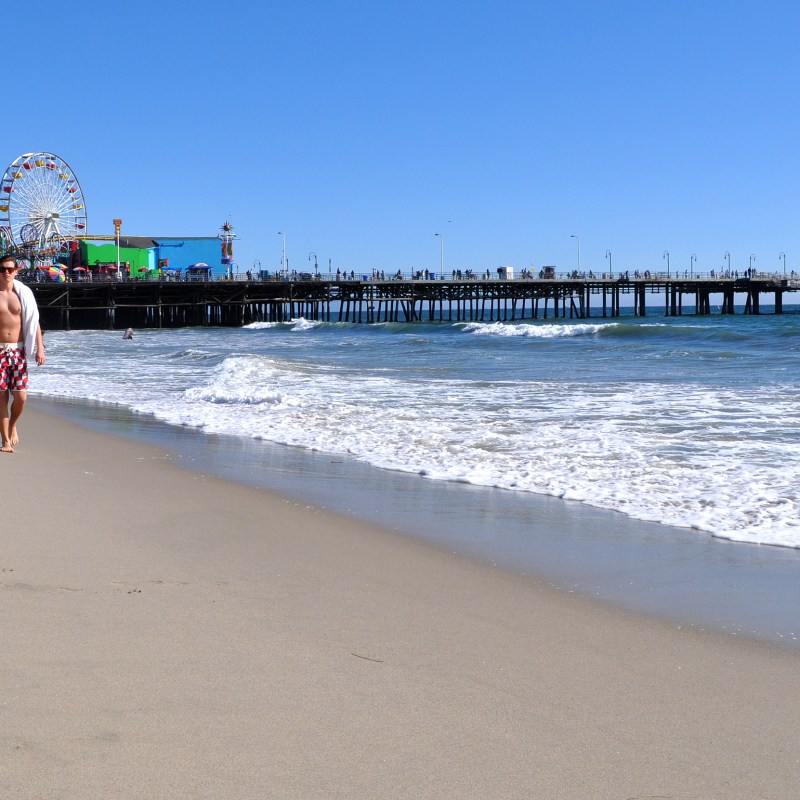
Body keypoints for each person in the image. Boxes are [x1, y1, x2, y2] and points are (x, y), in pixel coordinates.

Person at [0, 254, 46, 453]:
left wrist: (40, 348)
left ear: (16, 271)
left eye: (10, 269)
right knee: (1, 396)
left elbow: (33, 320)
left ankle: (12, 426)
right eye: (2, 269)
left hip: (18, 351)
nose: (6, 273)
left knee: (21, 397)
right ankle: (5, 442)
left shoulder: (23, 293)